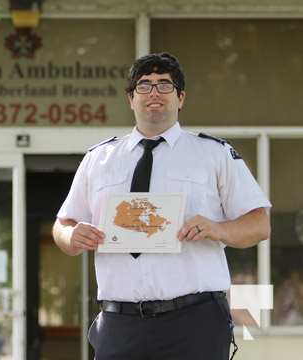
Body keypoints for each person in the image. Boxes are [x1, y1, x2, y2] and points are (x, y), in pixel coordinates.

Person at [52, 52, 271, 360]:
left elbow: (259, 224)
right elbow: (63, 223)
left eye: (164, 85)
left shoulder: (214, 154)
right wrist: (71, 237)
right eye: (144, 85)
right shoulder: (98, 159)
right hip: (119, 322)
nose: (154, 92)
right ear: (130, 99)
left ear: (180, 98)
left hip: (194, 321)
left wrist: (217, 228)